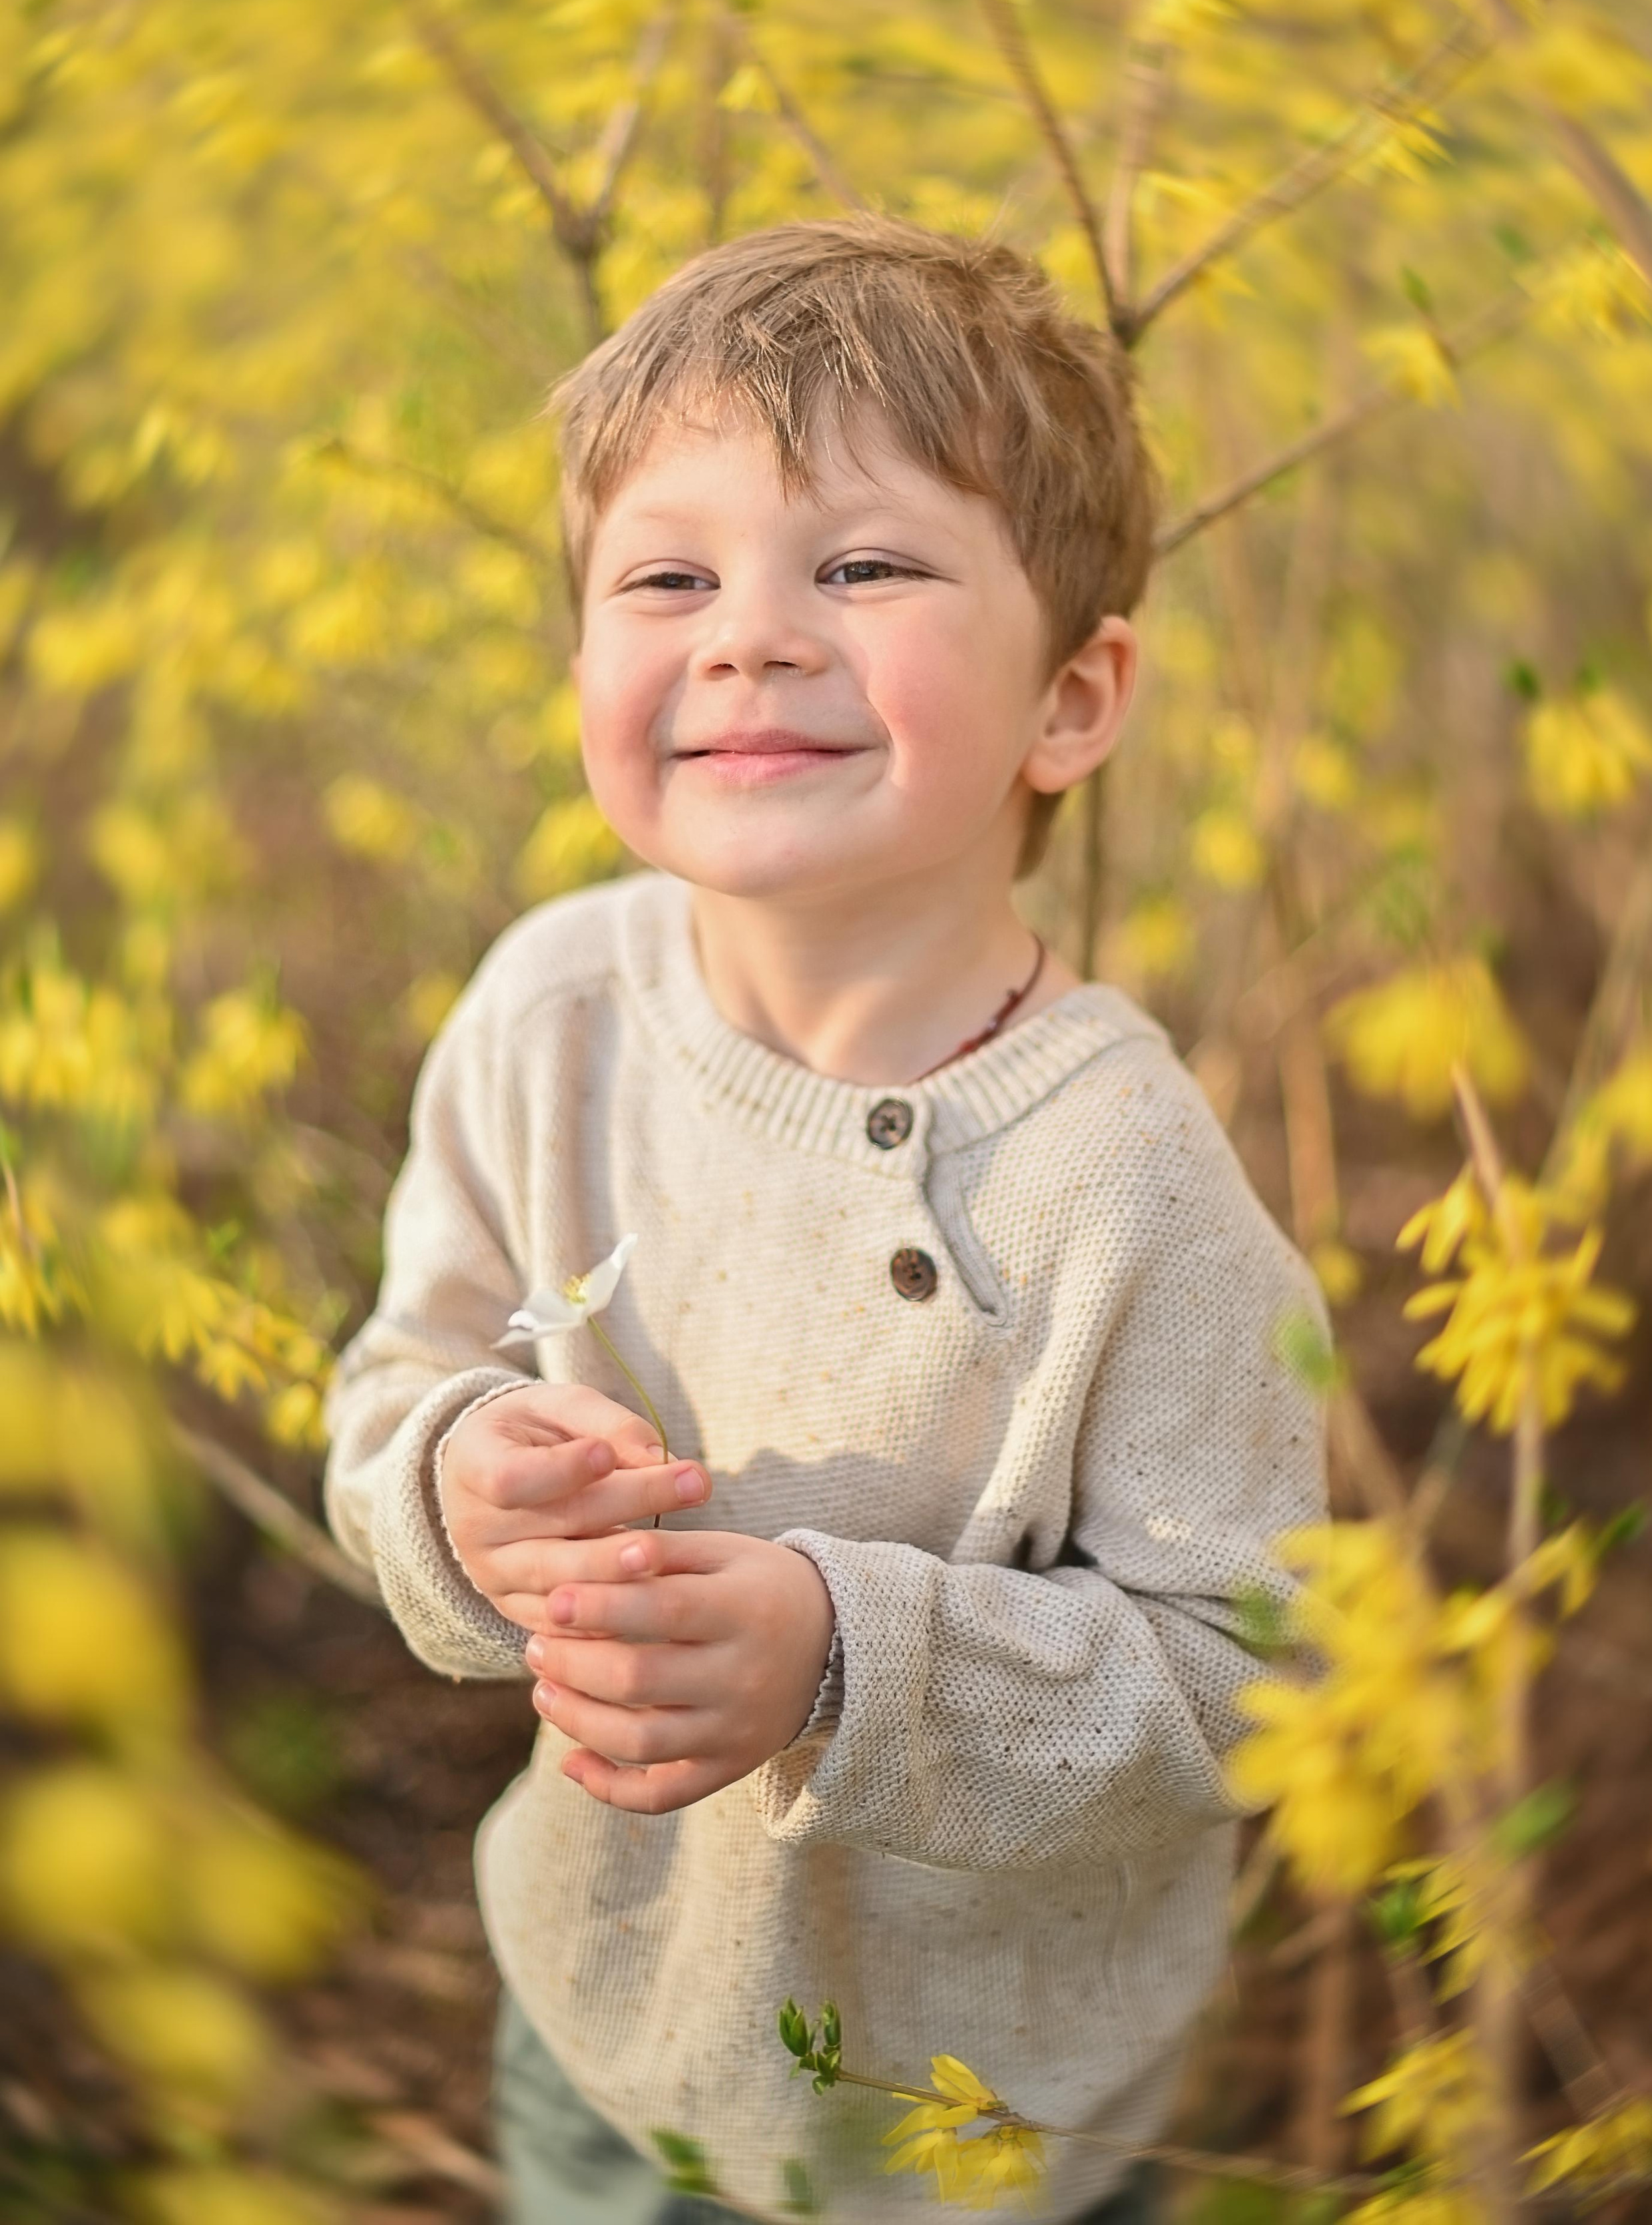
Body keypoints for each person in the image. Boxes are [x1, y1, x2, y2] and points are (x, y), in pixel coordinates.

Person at [323, 217, 1326, 2225]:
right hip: (611, 2021)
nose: (749, 636)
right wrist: (456, 1487)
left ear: (1072, 696)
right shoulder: (552, 1016)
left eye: (861, 567)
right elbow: (397, 1381)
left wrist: (840, 1661)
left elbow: (1256, 1674)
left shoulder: (1123, 1178)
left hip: (977, 2118)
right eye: (668, 577)